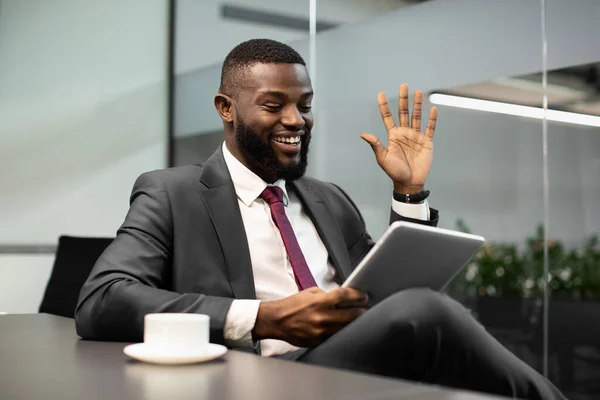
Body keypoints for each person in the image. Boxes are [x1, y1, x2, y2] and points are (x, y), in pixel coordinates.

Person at [75, 39, 565, 400]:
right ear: (226, 109)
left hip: (350, 371)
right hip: (257, 381)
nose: (296, 120)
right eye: (275, 105)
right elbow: (102, 299)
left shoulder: (329, 200)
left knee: (428, 314)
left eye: (305, 106)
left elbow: (386, 297)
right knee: (428, 314)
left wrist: (409, 193)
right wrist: (263, 318)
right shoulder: (172, 192)